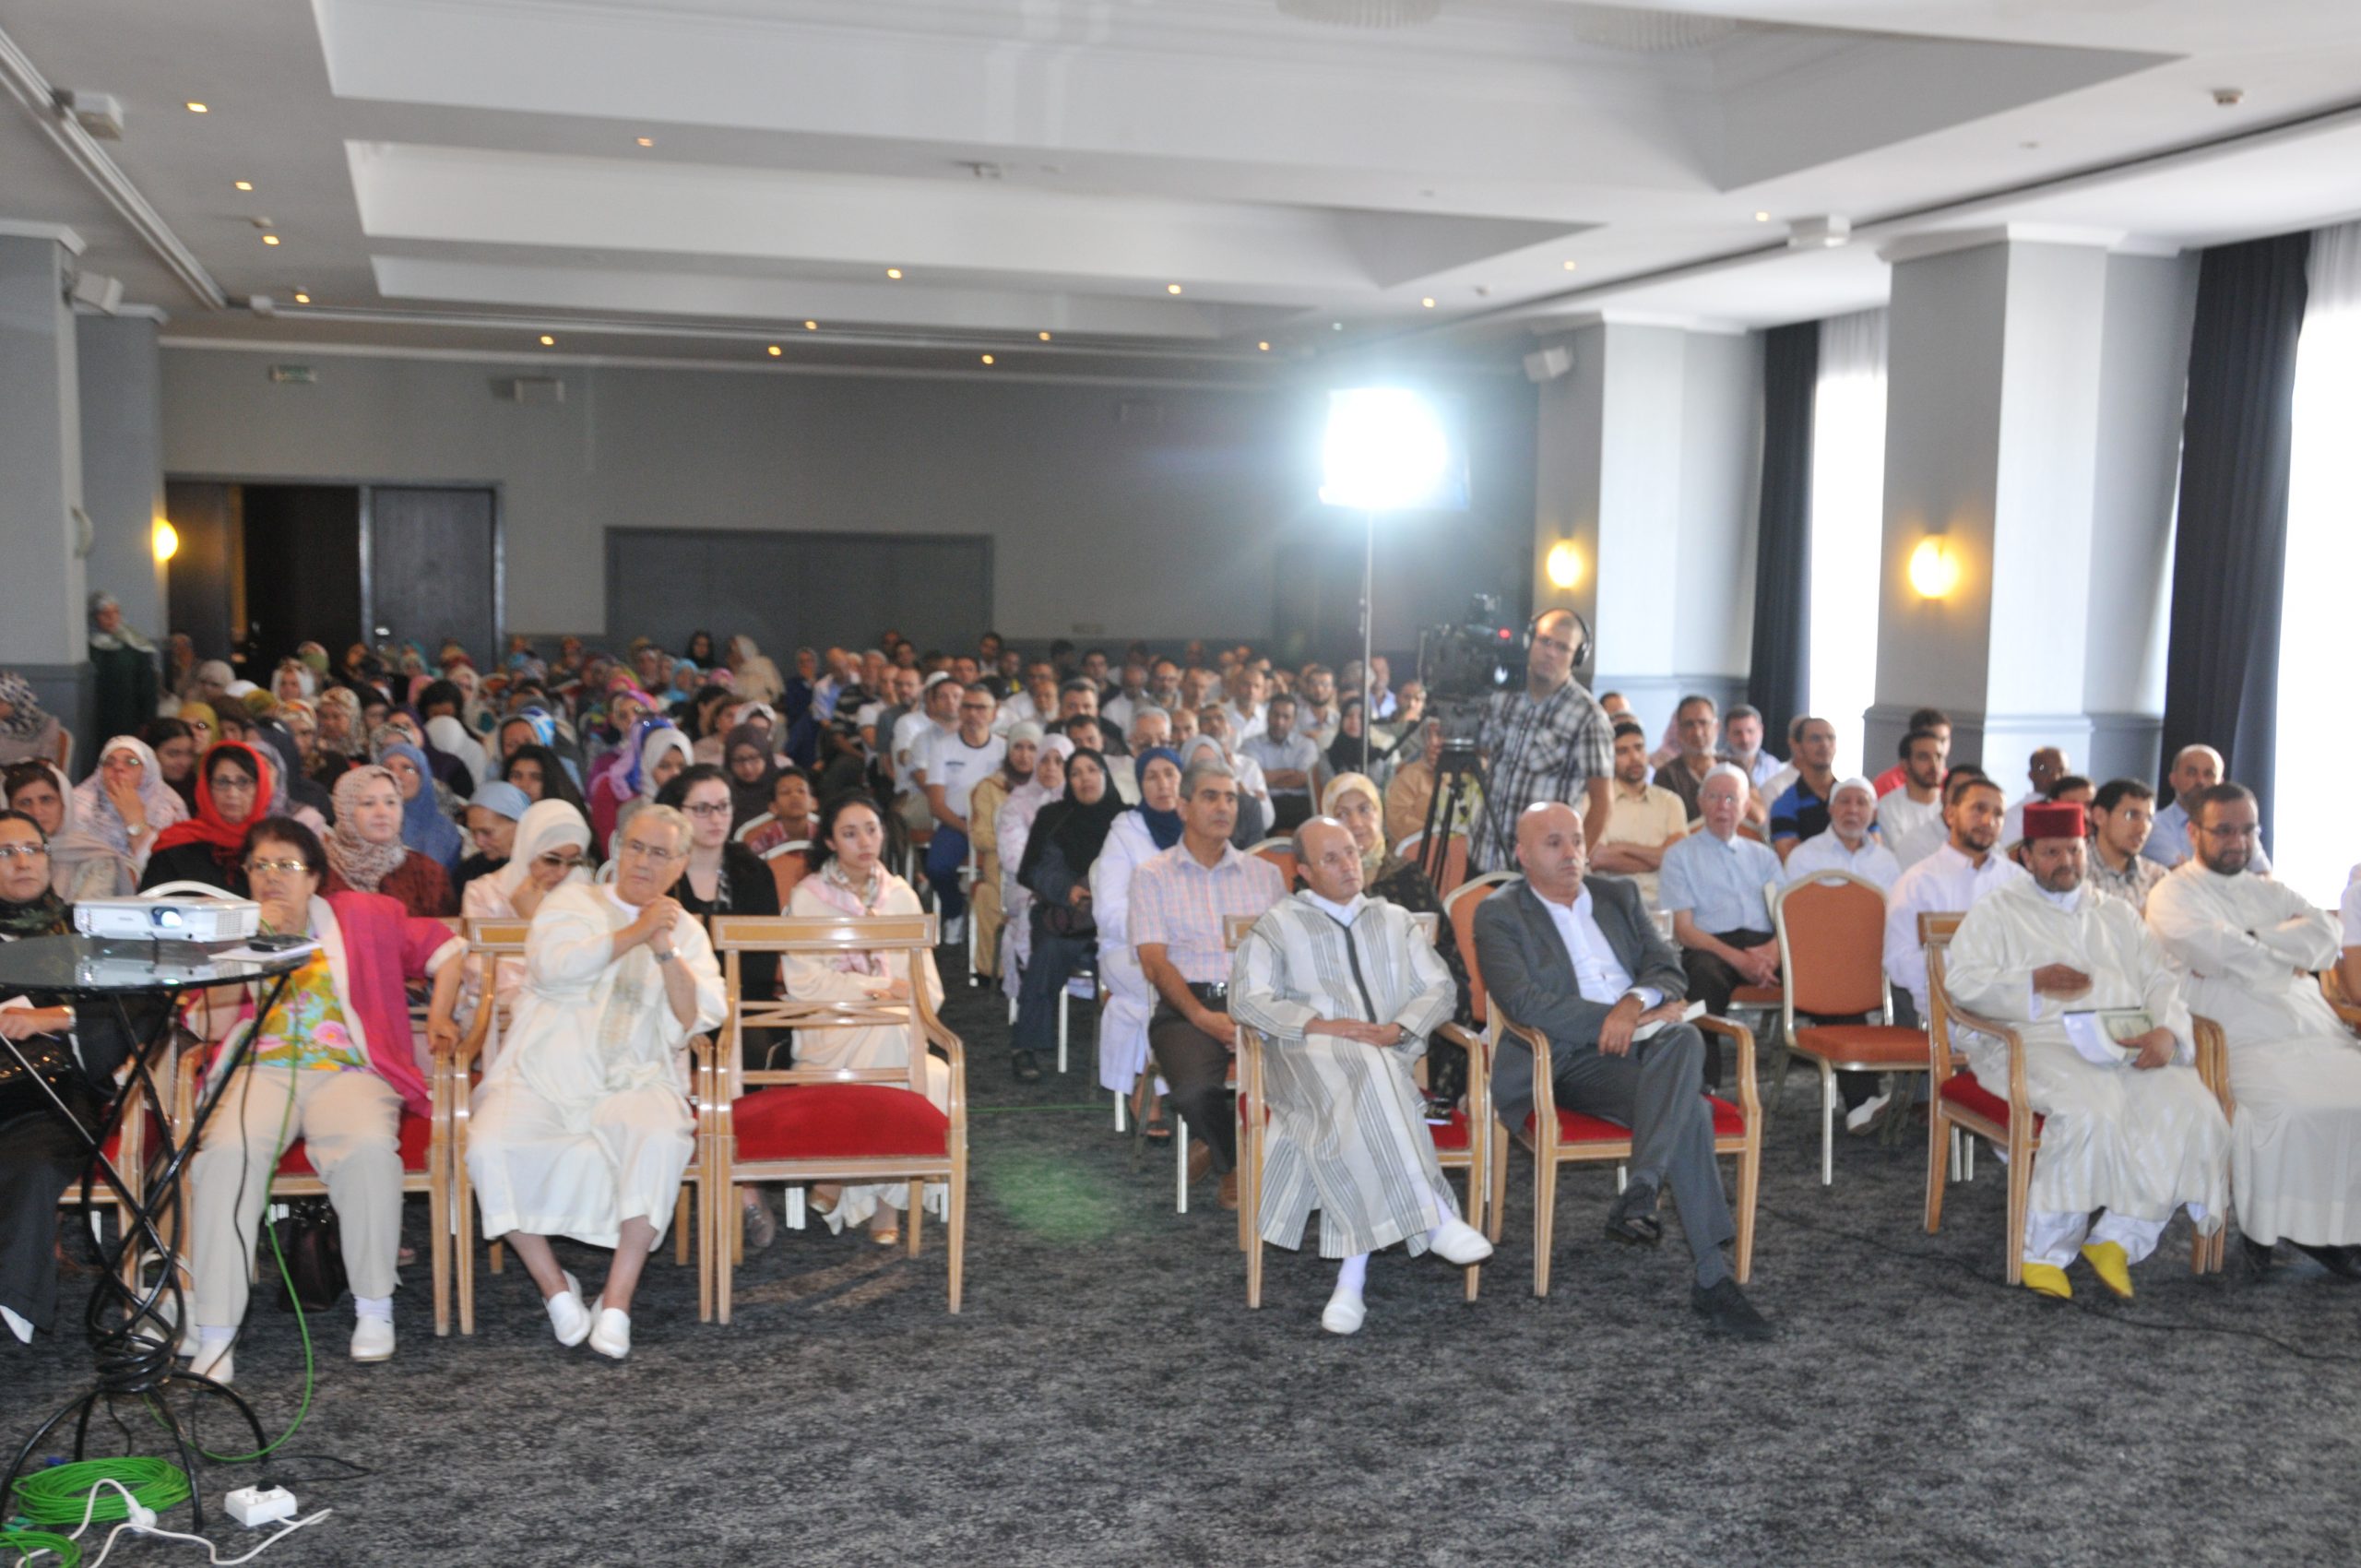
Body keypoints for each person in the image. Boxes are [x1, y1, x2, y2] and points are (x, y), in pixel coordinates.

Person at [182, 816, 467, 1383]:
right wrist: (245, 949)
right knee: (226, 1155)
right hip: (261, 1069)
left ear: (314, 876)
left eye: (287, 865)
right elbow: (205, 1022)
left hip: (348, 1069)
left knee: (366, 1149)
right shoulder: (231, 931)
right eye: (260, 866)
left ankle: (374, 1306)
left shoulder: (365, 915)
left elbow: (448, 948)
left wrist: (439, 1014)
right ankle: (216, 1332)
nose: (272, 877)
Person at [1473, 802, 1770, 1340]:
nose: (1571, 852)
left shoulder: (1618, 895)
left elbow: (1668, 969)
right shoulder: (1500, 913)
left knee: (1684, 1038)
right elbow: (1524, 1002)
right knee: (1690, 1109)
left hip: (1647, 1043)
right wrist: (1612, 1020)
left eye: (1576, 840)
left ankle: (1644, 1188)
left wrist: (1633, 1004)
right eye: (1553, 843)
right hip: (1565, 1059)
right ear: (1522, 855)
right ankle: (1710, 1275)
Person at [465, 803, 723, 1359]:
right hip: (543, 1069)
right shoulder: (573, 901)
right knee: (488, 1145)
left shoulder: (688, 931)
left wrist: (664, 948)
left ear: (681, 864)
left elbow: (695, 1016)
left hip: (635, 1075)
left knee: (660, 1138)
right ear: (617, 849)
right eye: (636, 847)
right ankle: (555, 1287)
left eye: (660, 853)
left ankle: (617, 1299)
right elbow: (555, 967)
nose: (644, 862)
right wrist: (636, 931)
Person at [1942, 802, 2231, 1299]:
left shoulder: (2115, 913)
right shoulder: (1997, 911)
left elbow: (2161, 979)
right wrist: (2031, 981)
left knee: (2195, 1110)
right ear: (2026, 856)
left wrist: (2166, 1031)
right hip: (2038, 1042)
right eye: (2051, 853)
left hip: (2124, 1042)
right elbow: (1962, 984)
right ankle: (2045, 1252)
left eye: (2074, 851)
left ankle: (2119, 1238)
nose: (2066, 863)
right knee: (2089, 1110)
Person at [1229, 815, 1492, 1335]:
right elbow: (1245, 999)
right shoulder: (1279, 924)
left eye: (1351, 852)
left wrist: (1399, 1028)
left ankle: (1352, 1282)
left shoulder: (1395, 920)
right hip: (1304, 1062)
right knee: (1372, 1074)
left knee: (1369, 1086)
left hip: (1386, 1058)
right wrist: (1318, 1024)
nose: (1348, 865)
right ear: (1304, 871)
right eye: (1331, 858)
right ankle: (1434, 1216)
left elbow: (1440, 988)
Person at [2145, 784, 2361, 1277]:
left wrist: (2251, 940)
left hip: (2310, 1028)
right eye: (2224, 830)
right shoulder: (2174, 893)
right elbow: (2211, 952)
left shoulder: (2269, 889)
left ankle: (2343, 1226)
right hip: (2233, 1035)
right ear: (2194, 832)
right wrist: (2285, 952)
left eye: (2248, 830)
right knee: (2291, 1108)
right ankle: (2290, 1227)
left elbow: (2326, 937)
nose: (2238, 842)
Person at [0, 809, 148, 1344]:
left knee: (35, 1164)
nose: (22, 862)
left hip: (51, 1097)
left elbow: (140, 1008)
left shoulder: (84, 929)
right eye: (6, 852)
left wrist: (53, 1017)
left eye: (31, 850)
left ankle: (12, 1298)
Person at [785, 793, 948, 1244]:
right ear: (831, 841)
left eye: (871, 830)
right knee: (900, 1041)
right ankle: (883, 1200)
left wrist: (896, 996)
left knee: (906, 1044)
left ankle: (844, 1175)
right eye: (849, 833)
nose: (864, 842)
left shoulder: (902, 896)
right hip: (830, 1028)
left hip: (893, 1027)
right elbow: (804, 984)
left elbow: (929, 987)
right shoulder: (808, 896)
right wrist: (876, 988)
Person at [1130, 758, 1288, 1209]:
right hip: (1187, 1005)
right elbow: (1154, 963)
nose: (1223, 807)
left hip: (1257, 1002)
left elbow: (1286, 955)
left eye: (1231, 798)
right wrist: (1202, 1017)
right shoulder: (1152, 875)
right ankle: (1234, 1162)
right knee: (1195, 1093)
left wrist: (1259, 1013)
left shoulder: (1265, 876)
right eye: (1210, 797)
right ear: (1183, 807)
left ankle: (1214, 1143)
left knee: (1313, 1074)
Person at [1320, 774, 1475, 1075]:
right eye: (1342, 814)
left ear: (1379, 814)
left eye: (1365, 809)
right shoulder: (1316, 883)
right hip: (1343, 1013)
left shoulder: (1408, 876)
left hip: (1415, 1005)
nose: (1356, 822)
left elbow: (1444, 953)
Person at [1656, 766, 1783, 1085]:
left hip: (1766, 946)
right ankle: (1704, 1085)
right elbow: (1684, 930)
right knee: (1702, 976)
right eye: (1713, 797)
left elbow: (1787, 915)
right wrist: (1741, 960)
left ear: (1745, 806)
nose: (1722, 806)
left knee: (1825, 970)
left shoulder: (1764, 856)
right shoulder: (1679, 855)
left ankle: (1860, 1097)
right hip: (1710, 947)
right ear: (1700, 803)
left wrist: (1772, 953)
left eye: (1731, 798)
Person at [1009, 750, 1128, 1085]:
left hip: (1117, 924)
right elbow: (1035, 869)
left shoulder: (1126, 820)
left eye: (1092, 770)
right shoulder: (1054, 816)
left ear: (1105, 774)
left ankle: (1136, 1053)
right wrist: (1067, 890)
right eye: (1075, 773)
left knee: (1136, 960)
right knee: (1048, 952)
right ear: (1068, 782)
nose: (1085, 778)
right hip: (1068, 919)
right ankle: (1025, 1045)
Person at [1469, 608, 1612, 873]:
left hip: (1541, 870)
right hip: (1484, 854)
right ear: (1529, 641)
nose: (1551, 653)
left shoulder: (1588, 717)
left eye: (1563, 648)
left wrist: (1573, 862)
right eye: (1545, 641)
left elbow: (1602, 803)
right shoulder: (1502, 696)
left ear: (1576, 657)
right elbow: (1484, 752)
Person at [1883, 773, 2024, 1023]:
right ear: (1950, 814)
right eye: (1978, 809)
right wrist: (1970, 981)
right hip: (1941, 1011)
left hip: (2011, 1008)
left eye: (1998, 814)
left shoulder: (2018, 881)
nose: (1988, 821)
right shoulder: (1918, 882)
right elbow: (1899, 962)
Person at [457, 799, 592, 1052]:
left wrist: (533, 921)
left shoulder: (584, 896)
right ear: (529, 847)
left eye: (573, 861)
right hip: (497, 1008)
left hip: (566, 1007)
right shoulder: (483, 892)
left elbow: (586, 967)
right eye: (551, 860)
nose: (562, 872)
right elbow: (477, 973)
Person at [920, 684, 1007, 944]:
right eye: (968, 707)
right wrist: (965, 828)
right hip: (956, 823)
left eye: (981, 707)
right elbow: (936, 805)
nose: (973, 713)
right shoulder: (943, 748)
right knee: (936, 867)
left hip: (998, 826)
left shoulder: (1004, 749)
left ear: (993, 712)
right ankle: (954, 911)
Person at [142, 742, 276, 893]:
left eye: (243, 782)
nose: (232, 793)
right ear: (206, 787)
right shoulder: (176, 845)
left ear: (260, 787)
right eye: (222, 782)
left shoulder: (273, 847)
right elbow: (149, 902)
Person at [323, 764, 456, 916]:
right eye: (368, 803)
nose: (382, 812)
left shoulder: (427, 872)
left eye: (391, 802)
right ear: (345, 811)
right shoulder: (319, 873)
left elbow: (447, 929)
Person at [996, 736, 1070, 1004]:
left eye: (1059, 761)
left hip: (1070, 887)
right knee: (1036, 907)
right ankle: (1036, 985)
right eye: (1044, 760)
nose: (1050, 767)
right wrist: (1051, 882)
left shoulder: (1079, 804)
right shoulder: (1016, 803)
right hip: (1025, 885)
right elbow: (1014, 858)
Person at [1591, 720, 1689, 909]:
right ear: (1609, 758)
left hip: (1663, 902)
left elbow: (1677, 858)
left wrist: (1622, 847)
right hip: (1613, 904)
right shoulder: (1595, 801)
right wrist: (1658, 857)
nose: (1634, 757)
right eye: (1622, 752)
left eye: (1639, 748)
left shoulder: (1670, 802)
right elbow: (1599, 859)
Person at [966, 725, 1037, 985]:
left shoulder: (1051, 788)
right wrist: (1015, 842)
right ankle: (996, 971)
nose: (1024, 755)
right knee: (988, 895)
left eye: (1032, 748)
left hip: (1041, 865)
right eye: (1018, 747)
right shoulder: (989, 788)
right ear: (1008, 751)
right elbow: (980, 836)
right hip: (1001, 868)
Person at [2142, 744, 2273, 874]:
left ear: (2220, 782)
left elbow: (2264, 876)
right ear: (2173, 779)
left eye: (2209, 774)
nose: (2200, 781)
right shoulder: (2154, 825)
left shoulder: (2238, 826)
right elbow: (2185, 877)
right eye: (2191, 773)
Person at [1786, 776, 1901, 890]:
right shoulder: (1804, 856)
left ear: (1874, 814)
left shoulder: (1886, 861)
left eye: (1861, 802)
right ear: (1830, 809)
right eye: (1845, 802)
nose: (1852, 810)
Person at [378, 741, 468, 878]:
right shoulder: (368, 819)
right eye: (388, 768)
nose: (396, 775)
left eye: (407, 768)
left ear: (423, 777)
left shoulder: (443, 831)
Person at [85, 592, 159, 747]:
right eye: (105, 614)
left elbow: (147, 686)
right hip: (97, 719)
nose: (111, 618)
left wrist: (147, 720)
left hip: (129, 717)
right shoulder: (86, 647)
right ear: (94, 617)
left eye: (115, 612)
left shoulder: (133, 645)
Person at [1242, 693, 1321, 833]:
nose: (1279, 722)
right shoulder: (1250, 744)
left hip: (1299, 804)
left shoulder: (1306, 745)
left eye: (1286, 717)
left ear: (1294, 720)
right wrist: (1289, 772)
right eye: (1276, 715)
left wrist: (1266, 778)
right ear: (1268, 715)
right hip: (1266, 801)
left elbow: (1303, 778)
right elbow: (1252, 778)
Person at [1766, 717, 1838, 861]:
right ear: (1797, 747)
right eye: (1815, 738)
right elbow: (1792, 861)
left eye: (1830, 738)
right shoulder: (1785, 804)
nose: (1824, 744)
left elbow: (1872, 851)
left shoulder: (1851, 798)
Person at [1651, 695, 1726, 823]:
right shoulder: (1667, 775)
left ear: (1717, 727)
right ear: (1679, 730)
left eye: (1703, 723)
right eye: (1689, 725)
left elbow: (1759, 816)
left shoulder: (1735, 767)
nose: (1697, 732)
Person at [455, 779, 531, 899]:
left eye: (487, 832)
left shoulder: (544, 869)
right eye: (473, 832)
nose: (478, 842)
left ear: (518, 825)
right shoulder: (469, 872)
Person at [1875, 729, 1946, 847]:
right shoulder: (1888, 806)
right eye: (1924, 757)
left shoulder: (1953, 806)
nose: (1934, 765)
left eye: (1939, 757)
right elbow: (1901, 852)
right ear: (1905, 764)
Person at [1999, 747, 2070, 850]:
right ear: (2031, 775)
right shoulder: (2014, 816)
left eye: (2061, 770)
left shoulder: (2077, 809)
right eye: (2045, 770)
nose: (2055, 777)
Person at [1870, 708, 1951, 797]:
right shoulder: (1887, 783)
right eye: (1931, 739)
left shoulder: (1952, 782)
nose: (1938, 746)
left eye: (1943, 740)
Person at [0, 674, 68, 771]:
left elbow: (45, 764)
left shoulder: (48, 725)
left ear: (18, 701)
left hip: (33, 777)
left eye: (0, 702)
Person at [1720, 703, 1781, 796]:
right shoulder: (1717, 763)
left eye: (1750, 731)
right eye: (1737, 733)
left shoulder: (1772, 765)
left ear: (1761, 730)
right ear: (1727, 734)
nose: (1745, 739)